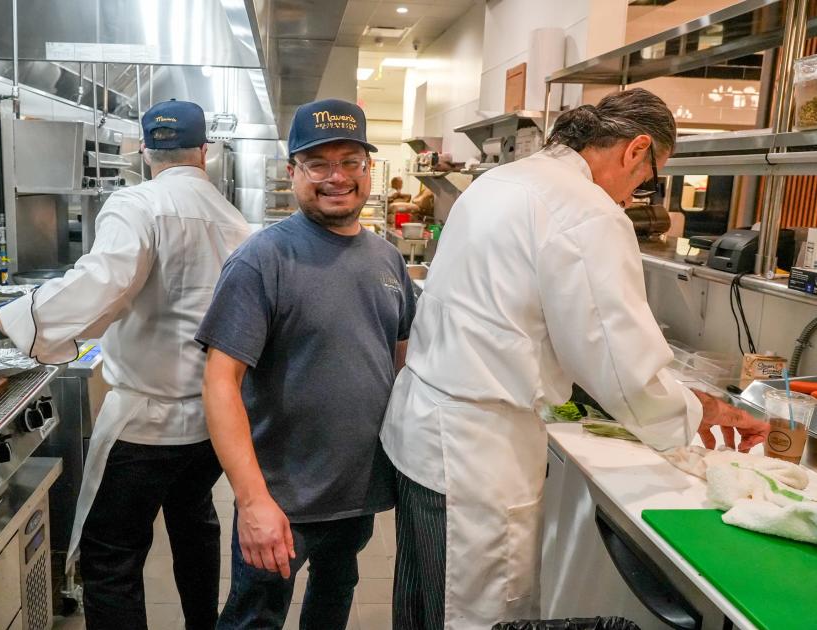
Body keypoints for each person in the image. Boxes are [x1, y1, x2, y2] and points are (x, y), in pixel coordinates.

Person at [379, 88, 771, 630]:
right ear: (636, 150)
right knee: (472, 614)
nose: (637, 195)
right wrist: (707, 413)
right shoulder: (583, 210)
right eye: (648, 179)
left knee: (424, 602)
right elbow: (623, 367)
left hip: (424, 429)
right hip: (477, 452)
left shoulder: (503, 180)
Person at [0, 100, 252, 630]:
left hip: (145, 426)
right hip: (214, 423)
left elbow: (103, 286)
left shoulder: (138, 203)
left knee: (110, 559)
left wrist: (3, 322)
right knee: (195, 527)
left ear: (146, 150)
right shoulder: (236, 221)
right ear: (205, 153)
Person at [196, 98, 417, 630]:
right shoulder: (263, 259)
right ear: (293, 171)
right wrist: (252, 503)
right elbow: (220, 384)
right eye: (318, 163)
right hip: (282, 497)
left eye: (351, 162)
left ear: (369, 169)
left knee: (333, 602)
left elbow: (401, 358)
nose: (336, 177)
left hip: (357, 491)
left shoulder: (387, 258)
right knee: (254, 618)